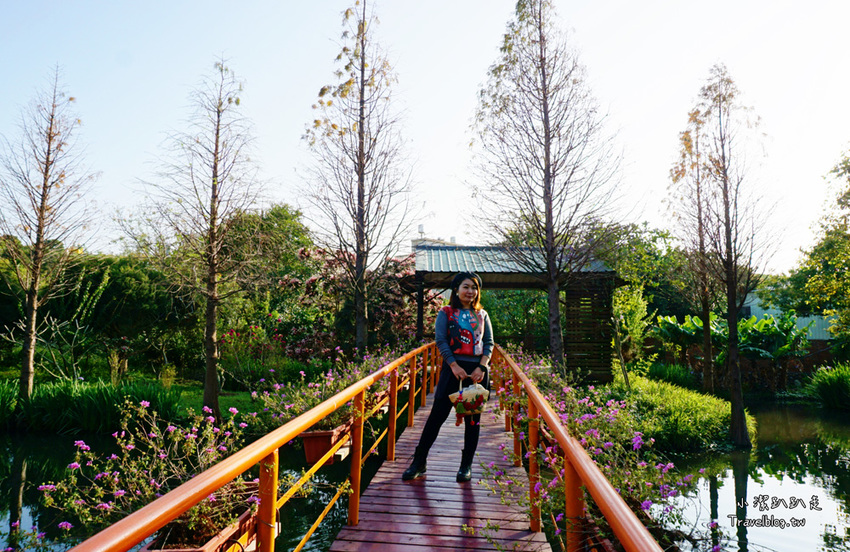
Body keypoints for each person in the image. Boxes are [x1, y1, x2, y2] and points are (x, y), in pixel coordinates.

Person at [402, 271, 494, 483]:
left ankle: (466, 465)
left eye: (474, 287)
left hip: (476, 373)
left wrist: (481, 367)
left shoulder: (482, 315)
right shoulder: (446, 312)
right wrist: (453, 365)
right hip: (453, 370)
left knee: (472, 421)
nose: (470, 291)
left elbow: (488, 343)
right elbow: (441, 341)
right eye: (466, 286)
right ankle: (419, 462)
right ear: (456, 289)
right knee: (436, 417)